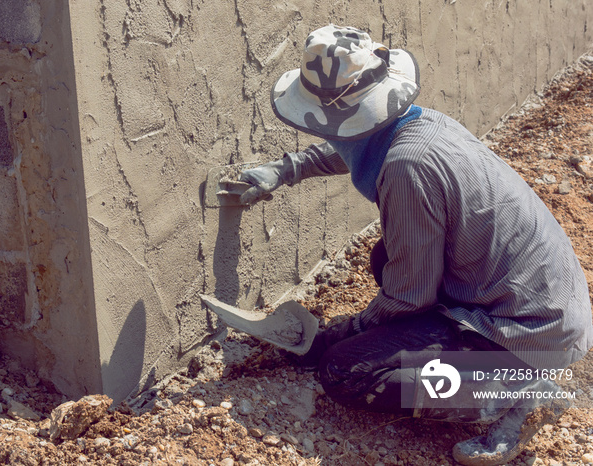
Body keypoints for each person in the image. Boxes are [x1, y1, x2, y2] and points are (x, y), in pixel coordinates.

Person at [234, 25, 593, 466]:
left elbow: (409, 296)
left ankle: (518, 393)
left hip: (527, 330)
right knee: (386, 258)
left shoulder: (408, 168)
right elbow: (350, 145)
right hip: (545, 298)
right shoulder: (419, 125)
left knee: (348, 372)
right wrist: (284, 169)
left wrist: (351, 329)